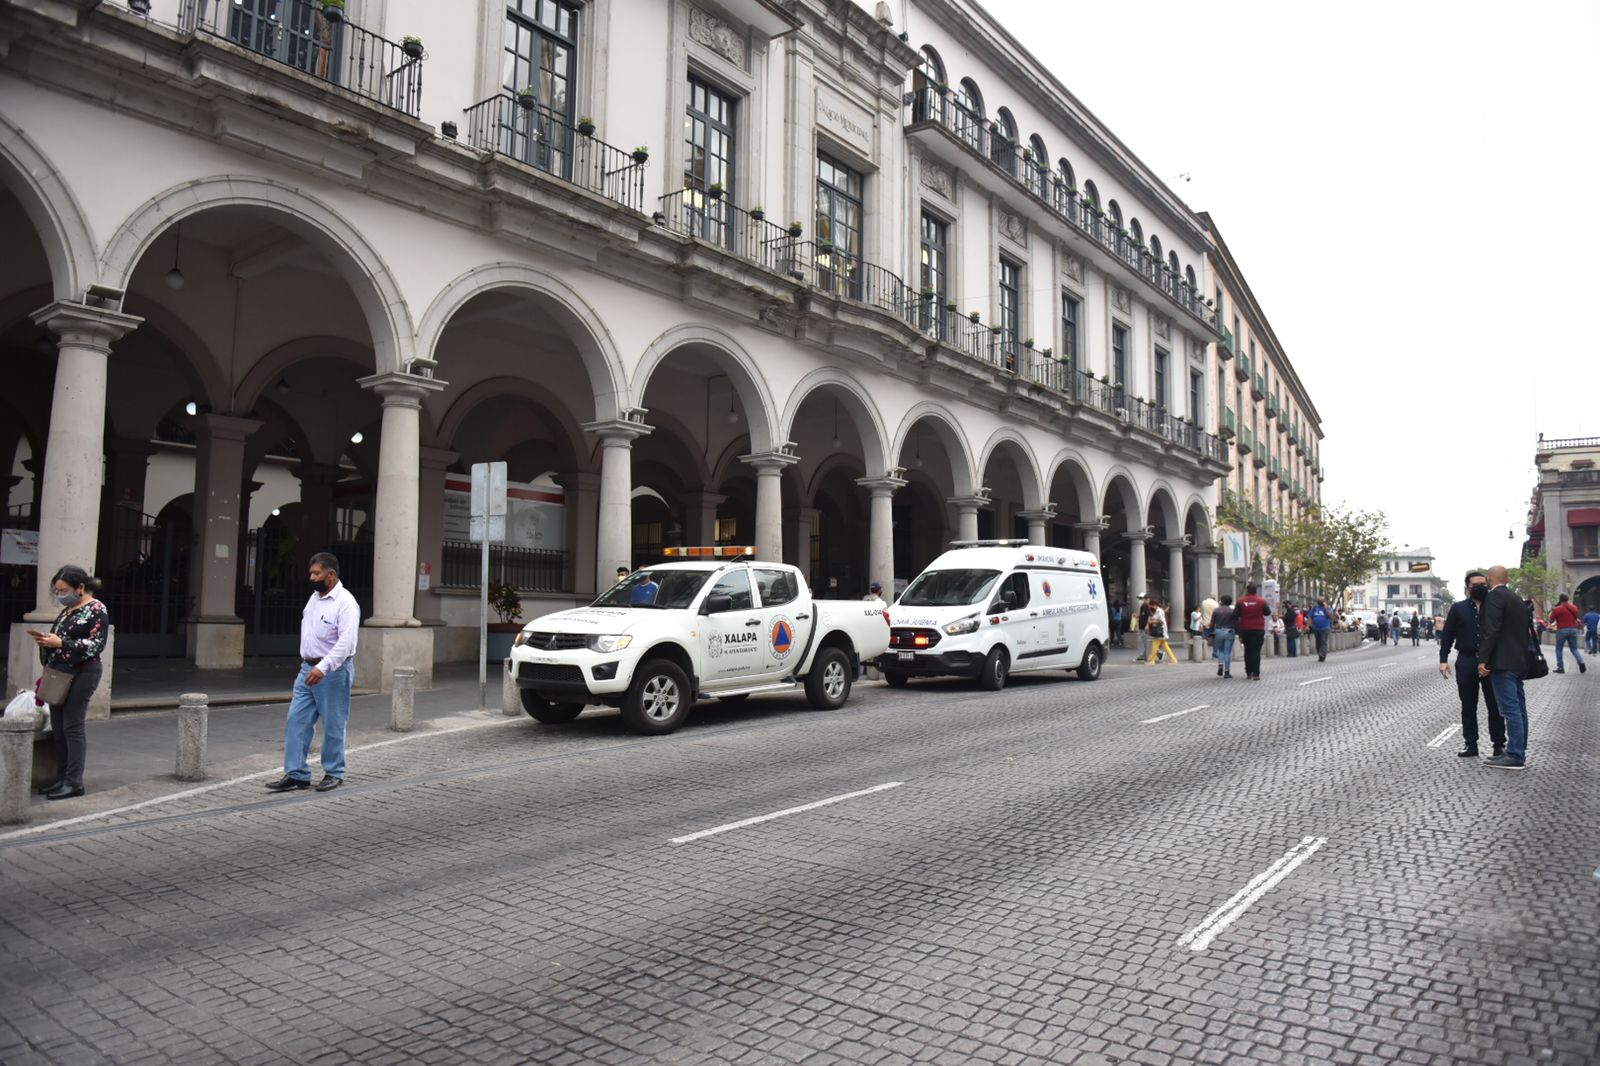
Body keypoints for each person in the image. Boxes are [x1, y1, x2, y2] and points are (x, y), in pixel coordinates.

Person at [266, 552, 360, 794]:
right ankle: (296, 773)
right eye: (310, 573)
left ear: (331, 575)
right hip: (307, 668)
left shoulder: (346, 603)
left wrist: (323, 667)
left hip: (333, 671)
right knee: (296, 719)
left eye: (316, 573)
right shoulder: (314, 599)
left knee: (333, 723)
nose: (311, 577)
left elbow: (346, 643)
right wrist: (310, 664)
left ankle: (334, 772)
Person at [28, 565, 109, 800]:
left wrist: (60, 643)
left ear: (80, 587)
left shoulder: (96, 609)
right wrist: (47, 642)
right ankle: (62, 777)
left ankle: (74, 782)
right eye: (58, 591)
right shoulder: (69, 610)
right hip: (59, 672)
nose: (60, 595)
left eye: (63, 590)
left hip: (84, 672)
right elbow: (62, 637)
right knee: (59, 726)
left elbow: (95, 645)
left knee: (73, 726)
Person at [1439, 571, 1505, 760]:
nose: (1480, 587)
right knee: (1468, 705)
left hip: (1492, 662)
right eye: (1476, 584)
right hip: (1466, 661)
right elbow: (1448, 635)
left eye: (1483, 584)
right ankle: (1471, 743)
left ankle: (1499, 744)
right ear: (1468, 587)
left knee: (1495, 705)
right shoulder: (1458, 608)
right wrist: (1443, 660)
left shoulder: (1495, 606)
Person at [1477, 565, 1531, 770]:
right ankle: (1518, 750)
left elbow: (1492, 631)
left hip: (1502, 661)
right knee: (1519, 708)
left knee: (1510, 709)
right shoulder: (1516, 599)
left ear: (1490, 578)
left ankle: (1515, 755)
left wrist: (1483, 660)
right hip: (1518, 660)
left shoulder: (1494, 598)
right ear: (1507, 579)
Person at [1236, 583, 1268, 681]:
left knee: (1248, 650)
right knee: (1256, 651)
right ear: (1256, 591)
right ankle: (1256, 674)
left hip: (1245, 629)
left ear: (1247, 590)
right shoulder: (1262, 601)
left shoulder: (1240, 601)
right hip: (1258, 629)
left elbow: (1235, 614)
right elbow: (1268, 612)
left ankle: (1248, 672)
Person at [1549, 593, 1586, 674]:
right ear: (1567, 599)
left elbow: (1551, 620)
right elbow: (1575, 617)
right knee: (1574, 648)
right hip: (1573, 629)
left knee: (1559, 649)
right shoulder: (1574, 607)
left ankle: (1561, 667)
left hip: (1562, 630)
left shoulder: (1557, 609)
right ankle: (1581, 662)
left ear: (1560, 599)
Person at [1211, 595, 1237, 678]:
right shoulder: (1232, 611)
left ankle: (1220, 666)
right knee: (1227, 652)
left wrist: (1212, 631)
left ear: (1221, 601)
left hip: (1218, 631)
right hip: (1229, 631)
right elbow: (1235, 622)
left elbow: (1212, 622)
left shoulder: (1216, 610)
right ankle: (1227, 671)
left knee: (1220, 650)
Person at [1145, 599, 1177, 666]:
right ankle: (1173, 659)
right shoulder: (1159, 610)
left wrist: (1152, 622)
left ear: (1154, 605)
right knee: (1165, 646)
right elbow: (1155, 618)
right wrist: (1151, 621)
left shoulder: (1159, 611)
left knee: (1154, 645)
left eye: (1151, 606)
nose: (1151, 607)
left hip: (1160, 631)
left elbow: (1161, 621)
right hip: (1162, 631)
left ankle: (1151, 660)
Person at [1308, 596, 1333, 662]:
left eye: (1322, 600)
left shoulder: (1328, 608)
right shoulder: (1315, 608)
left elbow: (1331, 617)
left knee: (1323, 641)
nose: (1320, 602)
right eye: (1319, 600)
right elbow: (1310, 617)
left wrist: (1326, 609)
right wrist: (1308, 626)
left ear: (1324, 602)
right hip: (1316, 628)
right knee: (1318, 643)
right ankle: (1320, 655)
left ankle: (1322, 654)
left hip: (1325, 628)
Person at [1200, 592, 1218, 658]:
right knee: (1216, 638)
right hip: (1214, 623)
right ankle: (1215, 653)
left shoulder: (1204, 602)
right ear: (1214, 597)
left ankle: (1200, 652)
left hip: (1206, 622)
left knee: (1204, 638)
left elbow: (1202, 612)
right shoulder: (1216, 604)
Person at [1134, 595, 1151, 663]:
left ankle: (1144, 656)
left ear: (1145, 599)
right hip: (1141, 626)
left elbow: (1149, 615)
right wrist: (1137, 616)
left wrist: (1147, 625)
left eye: (1141, 599)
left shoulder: (1146, 606)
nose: (1140, 600)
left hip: (1144, 627)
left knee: (1144, 641)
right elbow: (1142, 615)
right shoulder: (1143, 606)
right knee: (1142, 641)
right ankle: (1142, 655)